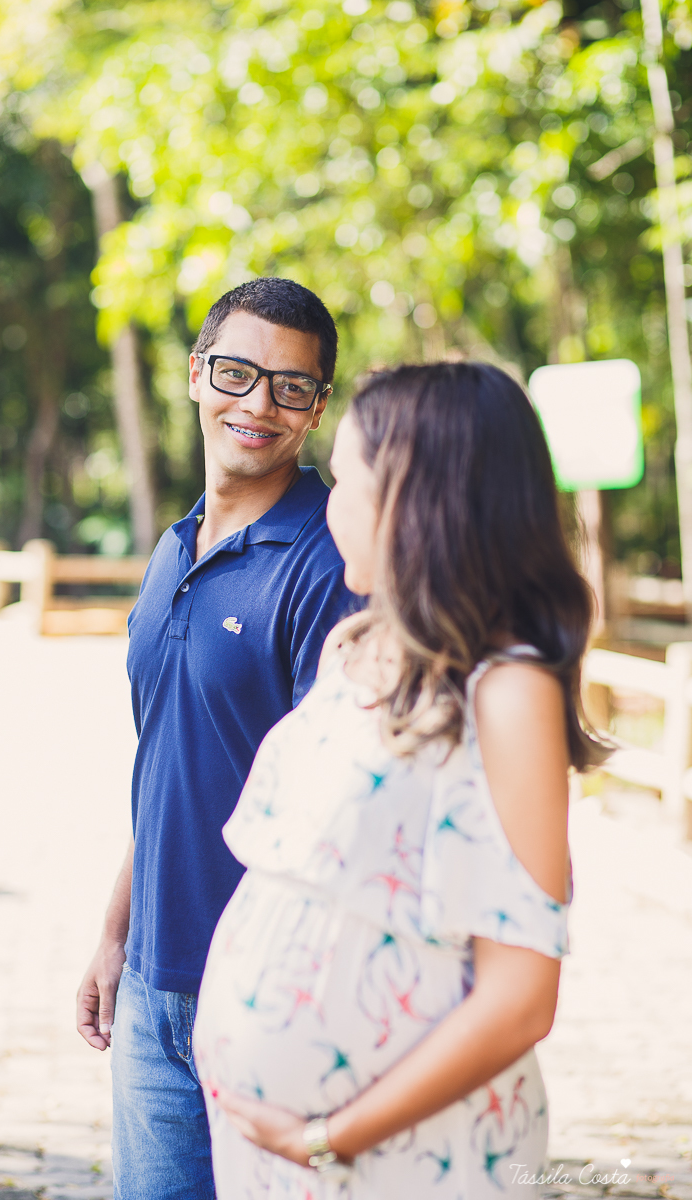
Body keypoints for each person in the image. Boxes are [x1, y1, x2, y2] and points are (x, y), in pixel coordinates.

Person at [193, 361, 607, 1198]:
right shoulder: (365, 647)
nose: (327, 504)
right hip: (276, 1160)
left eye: (347, 480)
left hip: (399, 1160)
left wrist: (326, 1136)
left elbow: (522, 995)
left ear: (418, 503)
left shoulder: (507, 690)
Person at [76, 278, 356, 1199]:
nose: (258, 405)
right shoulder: (174, 548)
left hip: (272, 994)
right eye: (236, 373)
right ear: (197, 376)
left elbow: (348, 803)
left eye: (291, 387)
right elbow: (168, 760)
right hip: (155, 988)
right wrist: (117, 933)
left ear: (317, 410)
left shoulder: (331, 566)